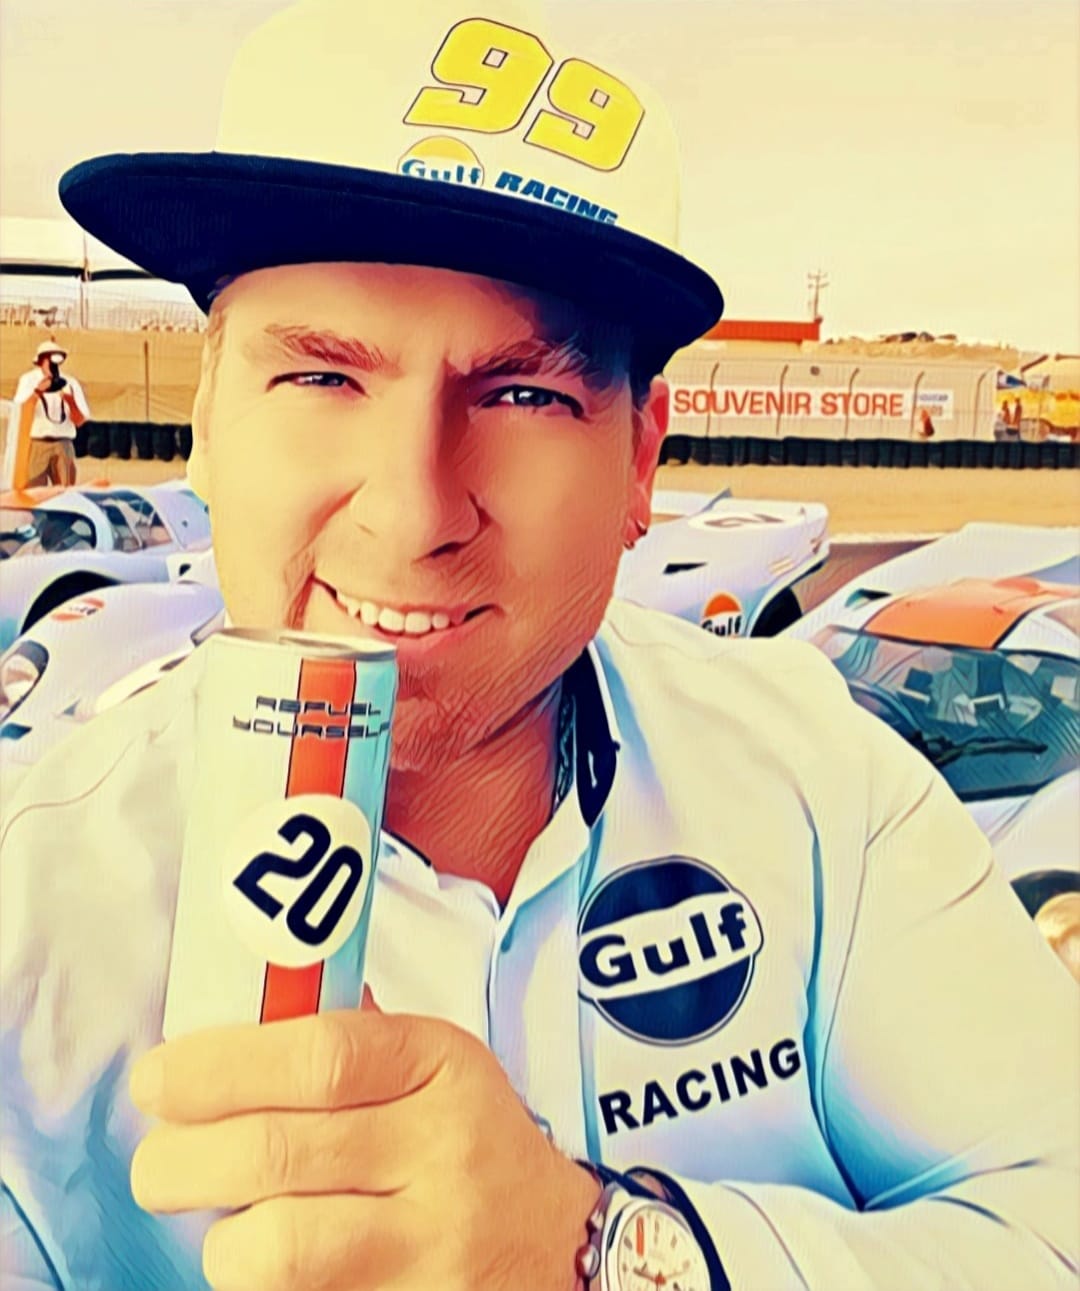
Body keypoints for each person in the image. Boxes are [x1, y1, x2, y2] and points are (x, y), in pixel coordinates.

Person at [2, 2, 1077, 1289]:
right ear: (207, 426)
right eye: (322, 377)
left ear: (641, 460)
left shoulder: (826, 789)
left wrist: (600, 1248)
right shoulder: (29, 907)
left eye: (524, 394)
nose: (413, 513)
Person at [3, 340, 90, 489]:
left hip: (63, 443)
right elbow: (20, 410)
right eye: (49, 358)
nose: (53, 363)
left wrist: (70, 401)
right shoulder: (28, 380)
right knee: (33, 490)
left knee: (65, 491)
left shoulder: (70, 382)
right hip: (37, 443)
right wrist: (38, 392)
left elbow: (80, 420)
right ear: (40, 360)